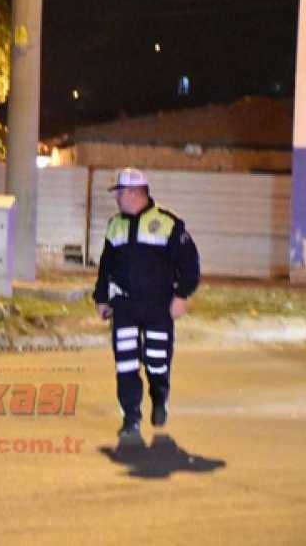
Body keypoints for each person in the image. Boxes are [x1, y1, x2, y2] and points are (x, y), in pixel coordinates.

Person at [93, 168, 200, 438]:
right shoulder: (115, 224)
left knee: (156, 360)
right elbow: (106, 265)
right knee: (126, 363)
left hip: (158, 306)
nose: (115, 198)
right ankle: (131, 418)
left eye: (118, 192)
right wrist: (102, 298)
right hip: (125, 306)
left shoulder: (168, 223)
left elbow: (190, 263)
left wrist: (182, 295)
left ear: (133, 192)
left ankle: (160, 397)